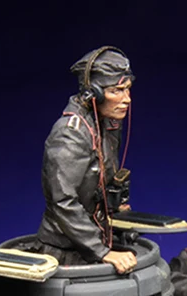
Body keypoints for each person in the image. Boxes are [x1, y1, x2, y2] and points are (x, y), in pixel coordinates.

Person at [31, 46, 137, 275]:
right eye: (117, 91)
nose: (126, 99)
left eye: (128, 89)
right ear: (94, 94)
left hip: (95, 240)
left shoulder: (107, 125)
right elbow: (63, 201)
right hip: (65, 253)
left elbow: (101, 179)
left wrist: (114, 206)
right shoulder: (70, 134)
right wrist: (102, 251)